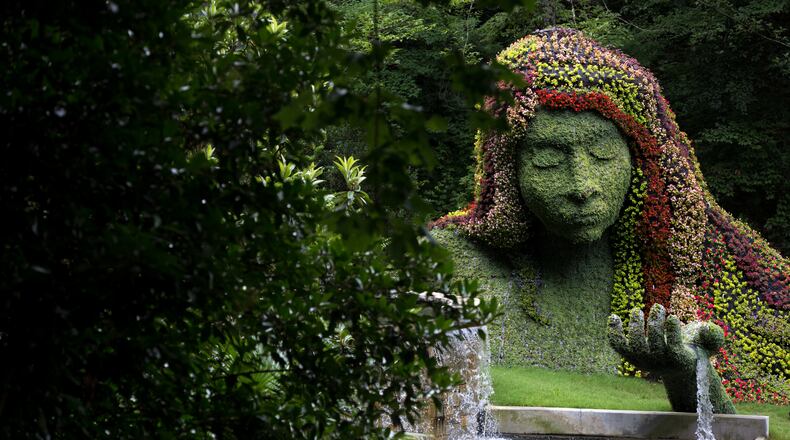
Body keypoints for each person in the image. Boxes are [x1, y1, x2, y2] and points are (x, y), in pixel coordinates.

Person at [431, 28, 789, 412]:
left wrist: (684, 372)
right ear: (507, 169)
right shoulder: (444, 259)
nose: (582, 186)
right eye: (549, 159)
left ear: (639, 161)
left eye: (602, 155)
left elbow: (735, 431)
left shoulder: (696, 267)